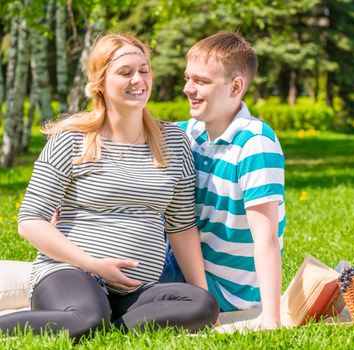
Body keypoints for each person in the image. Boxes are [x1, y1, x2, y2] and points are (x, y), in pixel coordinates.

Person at [0, 33, 218, 339]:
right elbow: (30, 221)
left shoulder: (173, 142)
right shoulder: (72, 139)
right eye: (125, 73)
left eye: (143, 70)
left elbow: (181, 226)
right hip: (70, 273)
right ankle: (89, 319)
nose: (137, 80)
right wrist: (94, 265)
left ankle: (104, 324)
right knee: (87, 318)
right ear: (100, 82)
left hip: (134, 290)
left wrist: (201, 294)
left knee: (203, 306)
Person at [161, 32, 286, 329]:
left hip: (223, 290)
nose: (188, 89)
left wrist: (270, 319)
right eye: (187, 78)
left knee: (107, 282)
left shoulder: (254, 143)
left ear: (236, 86)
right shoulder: (191, 132)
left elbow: (265, 238)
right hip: (188, 267)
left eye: (201, 81)